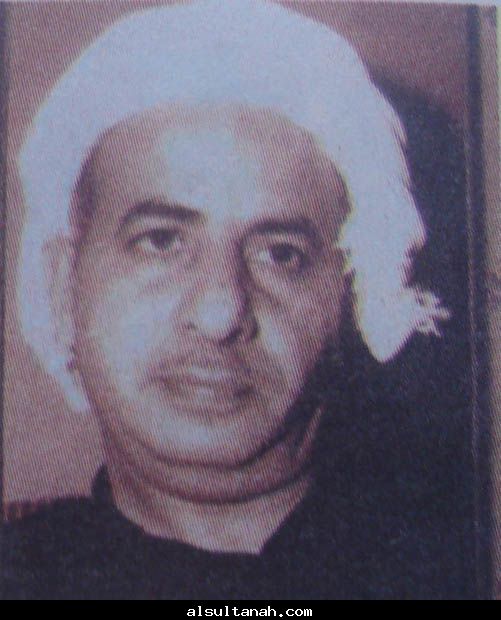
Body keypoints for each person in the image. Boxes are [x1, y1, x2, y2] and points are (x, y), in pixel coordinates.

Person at [3, 0, 462, 600]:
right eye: (161, 241)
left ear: (355, 298)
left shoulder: (459, 565)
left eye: (281, 254)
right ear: (63, 287)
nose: (220, 312)